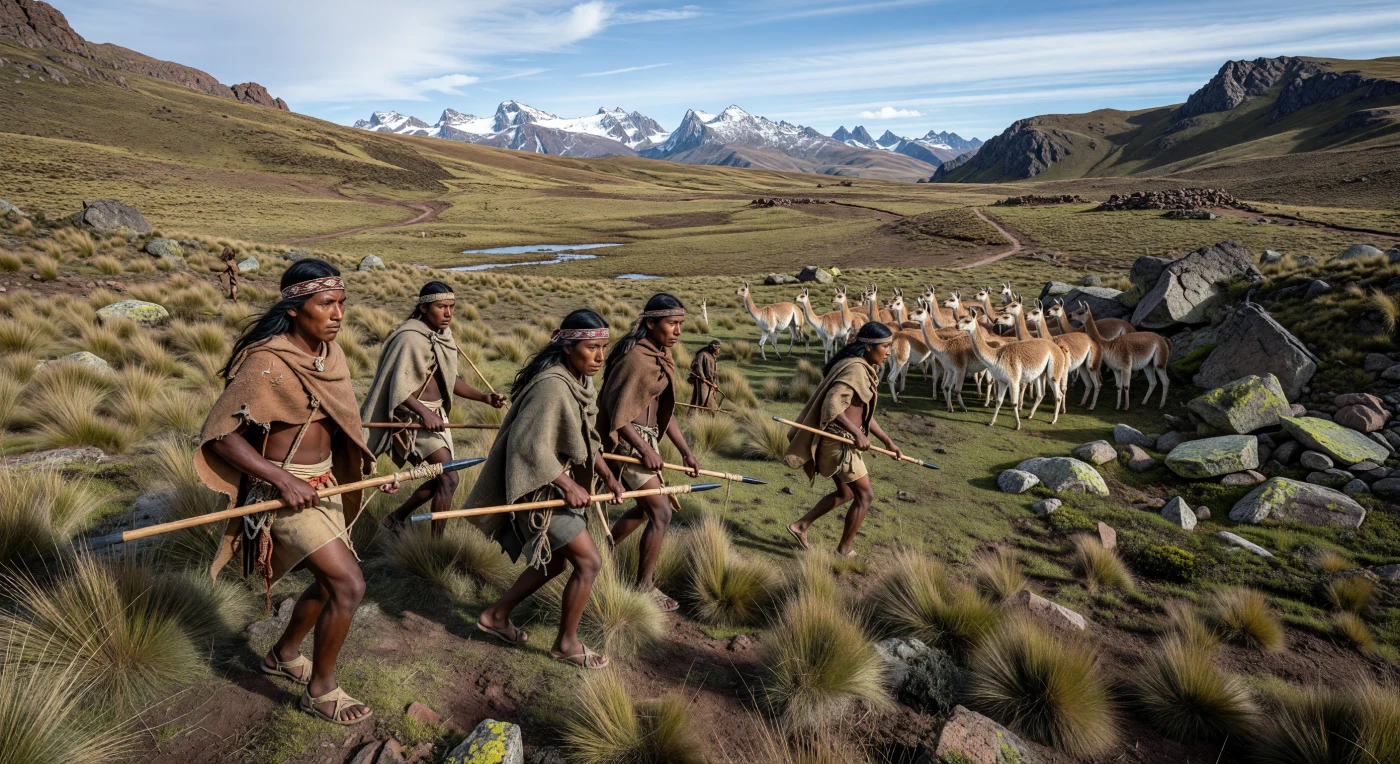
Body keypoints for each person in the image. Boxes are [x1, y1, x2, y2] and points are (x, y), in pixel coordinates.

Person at [195, 259, 393, 726]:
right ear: (294, 308)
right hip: (279, 494)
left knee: (330, 584)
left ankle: (282, 654)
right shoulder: (267, 362)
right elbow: (221, 434)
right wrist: (282, 479)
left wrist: (366, 468)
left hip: (323, 484)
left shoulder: (331, 355)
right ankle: (319, 690)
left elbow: (341, 422)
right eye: (327, 303)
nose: (338, 313)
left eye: (342, 303)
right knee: (348, 584)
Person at [469, 310, 626, 669]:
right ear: (568, 347)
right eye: (591, 348)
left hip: (556, 486)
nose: (600, 357)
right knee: (589, 563)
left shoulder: (581, 383)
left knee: (553, 563)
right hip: (539, 492)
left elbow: (588, 440)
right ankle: (566, 644)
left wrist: (609, 475)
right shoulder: (552, 386)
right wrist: (568, 483)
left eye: (604, 347)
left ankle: (495, 615)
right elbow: (528, 446)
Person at [363, 281, 507, 535]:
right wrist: (424, 412)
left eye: (452, 306)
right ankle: (435, 544)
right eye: (442, 307)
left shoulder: (443, 336)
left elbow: (450, 381)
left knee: (441, 476)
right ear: (424, 307)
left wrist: (484, 398)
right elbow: (396, 387)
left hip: (436, 416)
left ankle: (395, 518)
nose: (448, 313)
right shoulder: (409, 337)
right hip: (413, 420)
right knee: (450, 478)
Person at [600, 293, 700, 612]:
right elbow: (617, 411)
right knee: (661, 512)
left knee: (645, 510)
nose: (678, 331)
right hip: (629, 443)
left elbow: (661, 414)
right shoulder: (634, 359)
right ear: (651, 323)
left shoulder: (659, 355)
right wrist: (642, 447)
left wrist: (685, 452)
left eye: (680, 324)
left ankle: (602, 549)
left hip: (647, 441)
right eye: (672, 324)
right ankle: (644, 586)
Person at [783, 322, 902, 557]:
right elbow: (832, 406)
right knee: (865, 496)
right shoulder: (856, 370)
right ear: (869, 347)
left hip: (842, 443)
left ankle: (800, 526)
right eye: (886, 346)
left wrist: (888, 441)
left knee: (846, 494)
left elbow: (861, 412)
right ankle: (844, 551)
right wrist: (857, 434)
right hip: (839, 444)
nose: (889, 351)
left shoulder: (860, 367)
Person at [689, 340, 721, 409]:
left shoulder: (712, 357)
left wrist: (714, 383)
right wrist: (703, 379)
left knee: (711, 403)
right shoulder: (702, 355)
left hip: (710, 384)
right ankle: (696, 418)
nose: (719, 350)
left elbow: (713, 373)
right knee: (700, 401)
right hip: (702, 383)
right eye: (718, 348)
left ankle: (709, 418)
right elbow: (698, 367)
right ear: (714, 348)